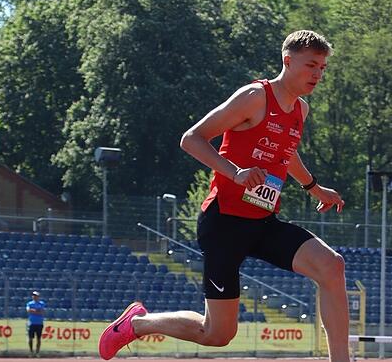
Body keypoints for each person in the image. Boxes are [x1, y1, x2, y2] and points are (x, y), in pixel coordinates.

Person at [98, 30, 348, 361]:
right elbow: (192, 139)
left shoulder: (300, 110)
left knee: (332, 266)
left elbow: (286, 154)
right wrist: (235, 173)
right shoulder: (254, 97)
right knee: (216, 334)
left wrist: (314, 187)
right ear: (288, 61)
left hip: (263, 221)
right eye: (311, 65)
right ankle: (139, 324)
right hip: (225, 224)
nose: (317, 74)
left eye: (323, 68)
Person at [26, 291, 46, 357]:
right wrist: (37, 311)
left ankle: (37, 352)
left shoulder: (42, 303)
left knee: (38, 338)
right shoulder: (29, 303)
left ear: (38, 297)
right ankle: (31, 352)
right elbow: (28, 310)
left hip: (39, 323)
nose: (34, 296)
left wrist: (34, 311)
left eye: (35, 295)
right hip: (31, 323)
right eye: (33, 295)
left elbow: (42, 312)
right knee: (30, 338)